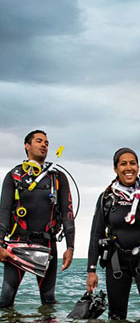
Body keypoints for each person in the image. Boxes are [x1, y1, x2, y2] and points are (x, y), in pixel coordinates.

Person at [86, 148, 140, 320]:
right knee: (116, 318)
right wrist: (91, 270)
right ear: (116, 169)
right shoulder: (107, 197)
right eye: (123, 164)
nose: (128, 168)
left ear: (138, 167)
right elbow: (96, 234)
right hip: (117, 262)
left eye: (133, 163)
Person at [0, 130, 75, 307]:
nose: (44, 145)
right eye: (39, 141)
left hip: (47, 244)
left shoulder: (57, 177)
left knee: (48, 303)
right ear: (27, 146)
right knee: (5, 301)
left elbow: (68, 213)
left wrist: (70, 247)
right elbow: (4, 211)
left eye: (46, 143)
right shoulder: (14, 176)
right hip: (17, 245)